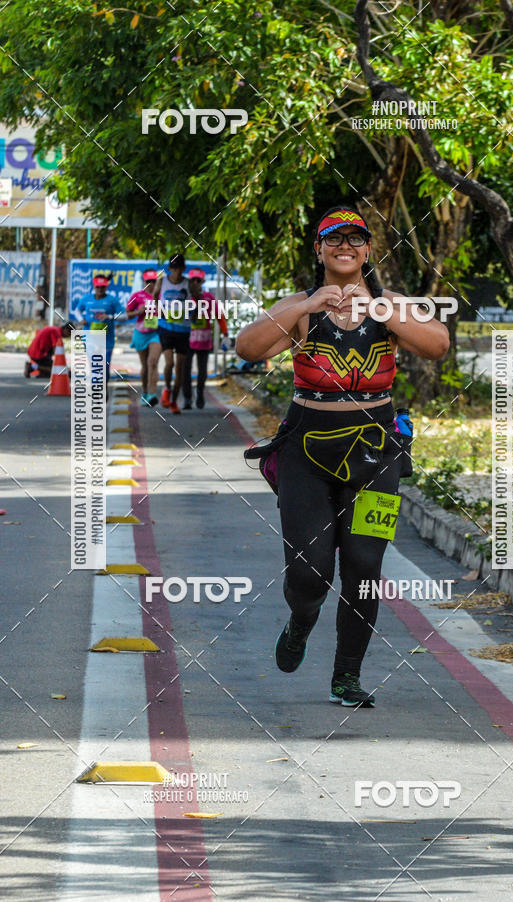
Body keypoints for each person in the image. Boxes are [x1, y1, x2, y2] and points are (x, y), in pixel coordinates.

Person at [236, 205, 449, 707]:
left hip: (377, 458)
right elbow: (248, 348)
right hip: (306, 454)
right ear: (320, 249)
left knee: (365, 567)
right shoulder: (301, 307)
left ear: (368, 250)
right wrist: (306, 306)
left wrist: (381, 309)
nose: (345, 247)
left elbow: (438, 344)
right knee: (310, 571)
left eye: (355, 239)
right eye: (334, 240)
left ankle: (346, 676)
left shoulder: (390, 306)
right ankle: (301, 619)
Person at [183, 269, 228, 409]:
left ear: (202, 282)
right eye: (193, 280)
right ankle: (187, 398)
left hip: (204, 339)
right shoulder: (186, 298)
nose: (196, 283)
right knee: (186, 370)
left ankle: (200, 393)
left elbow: (219, 315)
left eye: (198, 280)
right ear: (190, 282)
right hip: (187, 339)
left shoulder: (208, 297)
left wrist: (225, 334)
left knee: (202, 371)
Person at [154, 253, 192, 414]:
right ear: (169, 268)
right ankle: (167, 389)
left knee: (180, 369)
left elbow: (197, 299)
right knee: (169, 363)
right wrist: (158, 310)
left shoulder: (188, 283)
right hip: (166, 328)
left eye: (179, 268)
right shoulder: (162, 281)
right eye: (173, 268)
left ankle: (174, 401)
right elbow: (155, 297)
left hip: (183, 329)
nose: (176, 271)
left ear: (183, 268)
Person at [75, 274, 123, 380]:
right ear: (94, 286)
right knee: (95, 366)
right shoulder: (86, 299)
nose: (100, 289)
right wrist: (81, 320)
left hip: (107, 340)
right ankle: (97, 393)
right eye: (98, 287)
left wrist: (110, 317)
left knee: (105, 367)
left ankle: (103, 388)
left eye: (102, 287)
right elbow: (77, 310)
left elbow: (123, 315)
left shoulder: (112, 300)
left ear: (106, 287)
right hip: (90, 338)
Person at [126, 268, 161, 406]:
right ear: (144, 282)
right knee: (145, 366)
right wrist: (138, 312)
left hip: (157, 333)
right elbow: (128, 313)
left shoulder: (161, 295)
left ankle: (152, 394)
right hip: (141, 333)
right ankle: (145, 392)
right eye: (149, 281)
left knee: (153, 362)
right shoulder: (137, 295)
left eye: (154, 281)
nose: (151, 284)